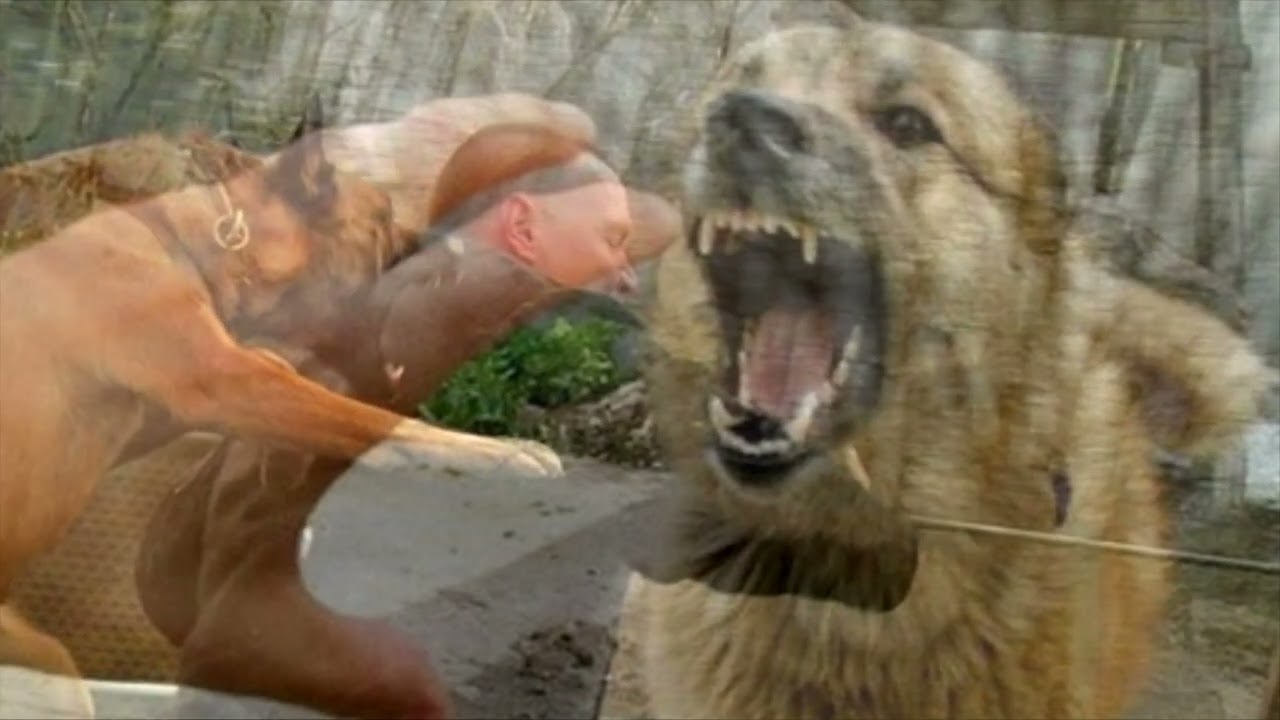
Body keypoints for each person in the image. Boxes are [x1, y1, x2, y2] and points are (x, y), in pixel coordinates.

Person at [132, 119, 680, 719]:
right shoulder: (556, 335)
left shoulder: (328, 340)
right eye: (612, 239)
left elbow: (167, 577)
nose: (627, 274)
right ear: (523, 226)